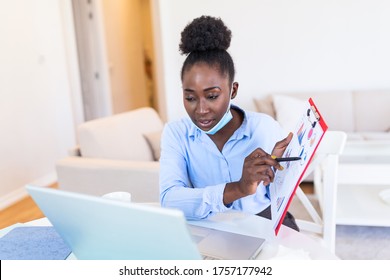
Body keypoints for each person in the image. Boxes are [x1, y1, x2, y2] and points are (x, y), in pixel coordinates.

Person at [159, 15, 299, 231]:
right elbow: (169, 199)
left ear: (233, 90)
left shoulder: (264, 127)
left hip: (265, 221)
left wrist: (284, 168)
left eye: (212, 96)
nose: (201, 109)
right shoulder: (176, 133)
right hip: (212, 228)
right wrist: (238, 188)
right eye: (190, 98)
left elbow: (282, 194)